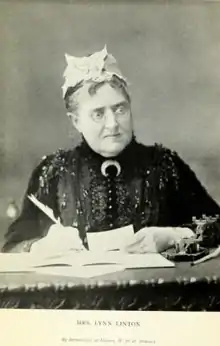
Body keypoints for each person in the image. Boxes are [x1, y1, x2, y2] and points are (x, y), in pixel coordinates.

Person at [2, 46, 220, 254]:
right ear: (76, 121)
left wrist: (174, 236)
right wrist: (42, 247)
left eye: (120, 109)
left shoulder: (164, 166)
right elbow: (12, 247)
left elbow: (216, 225)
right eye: (98, 114)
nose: (113, 123)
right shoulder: (53, 173)